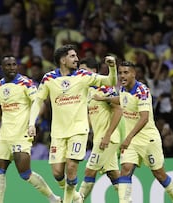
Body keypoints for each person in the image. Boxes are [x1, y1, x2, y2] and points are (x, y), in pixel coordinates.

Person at [28, 44, 117, 203]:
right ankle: (76, 197)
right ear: (63, 60)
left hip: (78, 130)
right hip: (58, 133)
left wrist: (112, 67)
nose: (77, 59)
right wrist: (31, 123)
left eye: (76, 56)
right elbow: (38, 101)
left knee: (71, 168)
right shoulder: (49, 78)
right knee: (57, 173)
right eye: (73, 56)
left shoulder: (83, 75)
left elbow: (110, 81)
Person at [0, 55, 62, 203]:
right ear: (2, 68)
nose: (12, 67)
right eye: (8, 65)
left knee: (25, 173)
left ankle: (53, 198)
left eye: (14, 64)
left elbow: (40, 103)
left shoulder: (25, 83)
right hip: (4, 136)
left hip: (22, 134)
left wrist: (33, 123)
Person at [95, 61, 173, 203]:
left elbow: (144, 118)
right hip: (132, 141)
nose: (122, 76)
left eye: (126, 72)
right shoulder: (123, 89)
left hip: (148, 139)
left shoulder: (142, 91)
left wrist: (128, 137)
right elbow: (122, 100)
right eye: (120, 72)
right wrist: (104, 98)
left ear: (133, 74)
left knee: (159, 174)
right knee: (125, 169)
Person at [77, 57, 122, 200]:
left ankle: (78, 200)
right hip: (100, 138)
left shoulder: (105, 88)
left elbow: (119, 109)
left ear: (94, 72)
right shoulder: (88, 92)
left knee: (89, 171)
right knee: (113, 174)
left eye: (84, 71)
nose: (81, 74)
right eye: (79, 71)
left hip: (108, 139)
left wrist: (107, 135)